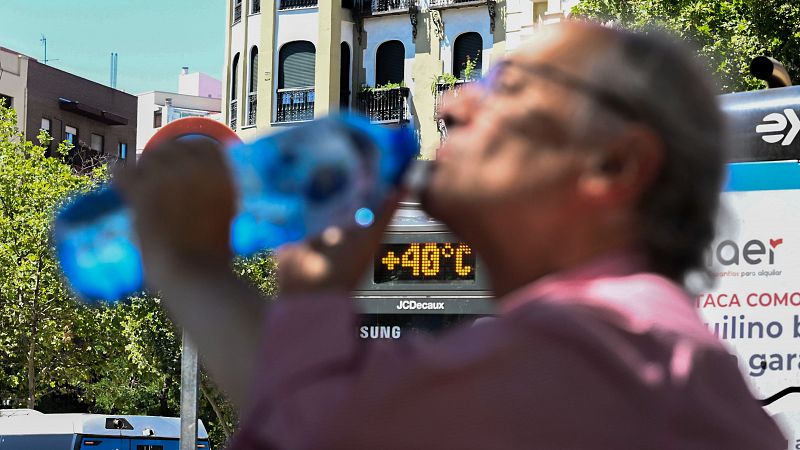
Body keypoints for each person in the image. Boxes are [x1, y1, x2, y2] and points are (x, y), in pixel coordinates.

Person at [117, 21, 786, 449]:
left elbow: (322, 430)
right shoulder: (621, 348)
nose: (450, 102)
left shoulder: (615, 345)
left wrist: (189, 265)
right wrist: (306, 295)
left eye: (509, 87)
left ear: (613, 163)